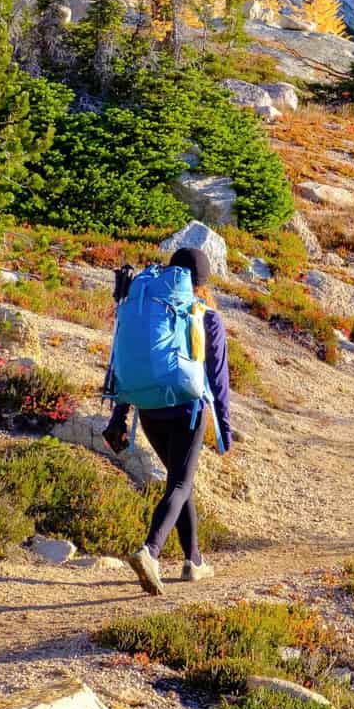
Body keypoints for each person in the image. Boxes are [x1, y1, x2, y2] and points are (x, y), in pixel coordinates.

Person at [104, 246, 236, 595]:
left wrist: (119, 415)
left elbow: (124, 359)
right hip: (188, 408)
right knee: (179, 483)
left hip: (149, 407)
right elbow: (219, 381)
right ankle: (150, 551)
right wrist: (224, 430)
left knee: (180, 481)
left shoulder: (147, 307)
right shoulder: (206, 316)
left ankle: (194, 561)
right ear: (203, 281)